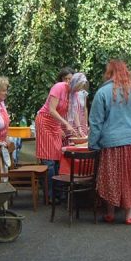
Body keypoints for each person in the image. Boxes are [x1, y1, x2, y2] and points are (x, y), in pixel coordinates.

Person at [88, 59, 131, 225]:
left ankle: (110, 213)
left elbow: (95, 121)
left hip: (111, 142)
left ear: (109, 73)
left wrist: (93, 143)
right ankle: (129, 214)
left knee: (112, 177)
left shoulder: (102, 93)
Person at [35, 67, 77, 203]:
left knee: (60, 157)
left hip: (55, 124)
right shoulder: (58, 87)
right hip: (45, 122)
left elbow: (73, 112)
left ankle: (60, 192)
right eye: (67, 79)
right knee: (49, 161)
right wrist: (65, 124)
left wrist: (78, 129)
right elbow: (52, 110)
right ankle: (50, 195)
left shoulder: (73, 93)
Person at [66, 72, 90, 140]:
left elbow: (84, 108)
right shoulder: (71, 93)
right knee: (72, 138)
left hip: (81, 120)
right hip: (72, 120)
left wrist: (85, 123)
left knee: (82, 137)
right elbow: (73, 110)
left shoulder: (83, 93)